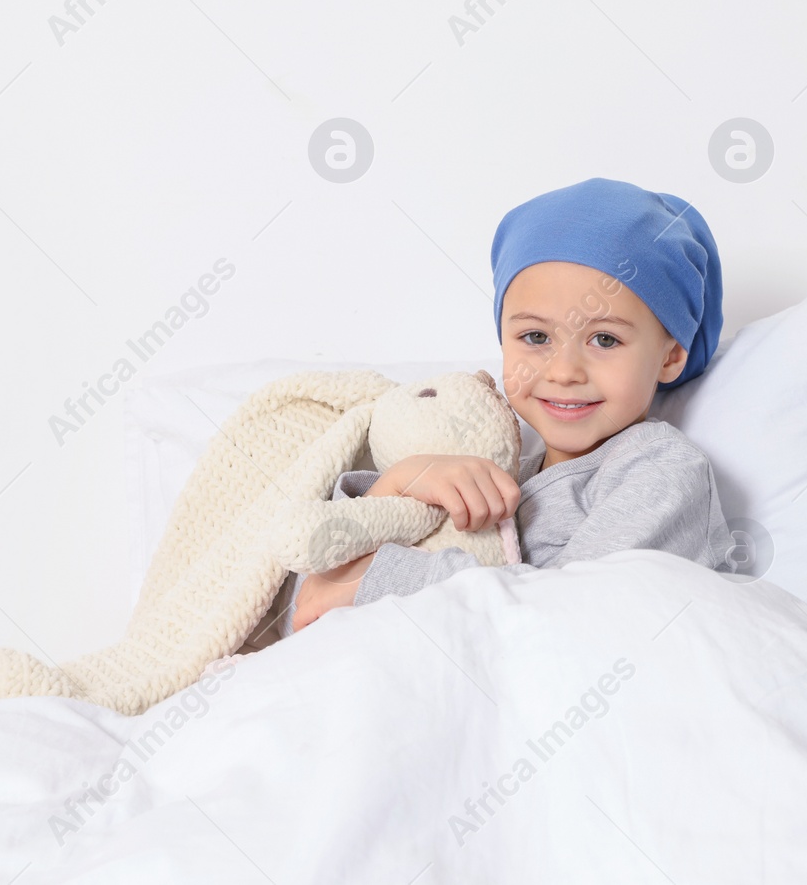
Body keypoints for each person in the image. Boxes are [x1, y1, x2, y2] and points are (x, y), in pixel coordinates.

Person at [289, 177, 733, 633]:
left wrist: (377, 580)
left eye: (605, 339)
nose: (563, 372)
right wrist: (399, 486)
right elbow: (307, 606)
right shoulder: (499, 469)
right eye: (536, 337)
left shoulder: (660, 471)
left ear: (670, 355)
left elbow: (571, 617)